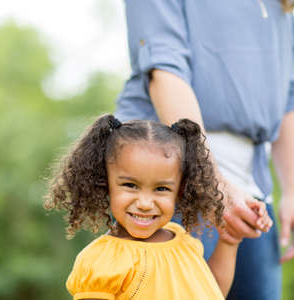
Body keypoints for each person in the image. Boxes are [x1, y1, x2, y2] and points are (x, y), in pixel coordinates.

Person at [115, 1, 294, 299]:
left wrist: (291, 189)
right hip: (171, 175)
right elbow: (164, 70)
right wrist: (213, 182)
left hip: (253, 187)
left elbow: (288, 95)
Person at [44, 114, 272, 299]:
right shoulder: (103, 261)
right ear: (104, 184)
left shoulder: (183, 242)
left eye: (161, 189)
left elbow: (212, 292)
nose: (144, 203)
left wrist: (229, 242)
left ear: (181, 190)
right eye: (130, 185)